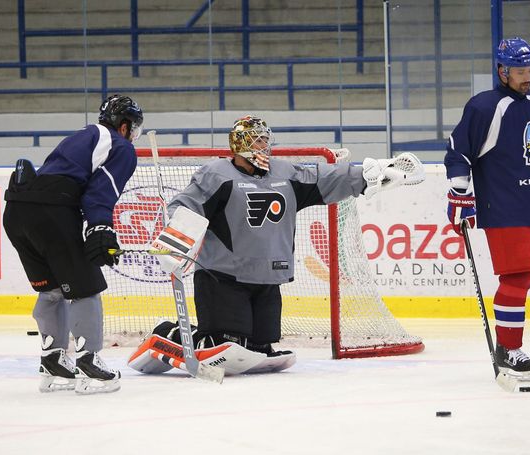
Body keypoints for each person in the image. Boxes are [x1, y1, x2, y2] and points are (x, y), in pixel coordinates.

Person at [130, 115, 424, 375]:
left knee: (260, 344)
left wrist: (371, 174)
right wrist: (175, 238)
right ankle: (168, 333)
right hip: (223, 277)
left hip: (268, 277)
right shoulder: (217, 174)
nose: (262, 146)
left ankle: (212, 338)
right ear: (238, 144)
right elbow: (187, 205)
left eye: (264, 140)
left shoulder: (286, 174)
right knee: (227, 343)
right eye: (255, 140)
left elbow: (327, 177)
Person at [444, 37, 530, 380]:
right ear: (502, 70)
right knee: (517, 279)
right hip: (505, 206)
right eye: (520, 70)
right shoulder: (483, 107)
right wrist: (459, 194)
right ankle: (508, 348)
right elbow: (458, 153)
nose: (527, 76)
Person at [3, 94, 144, 393]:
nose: (132, 134)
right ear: (124, 125)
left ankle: (53, 360)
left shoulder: (82, 136)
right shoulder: (121, 146)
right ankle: (89, 363)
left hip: (17, 210)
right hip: (52, 213)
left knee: (51, 289)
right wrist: (100, 226)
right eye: (133, 127)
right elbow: (100, 191)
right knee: (85, 288)